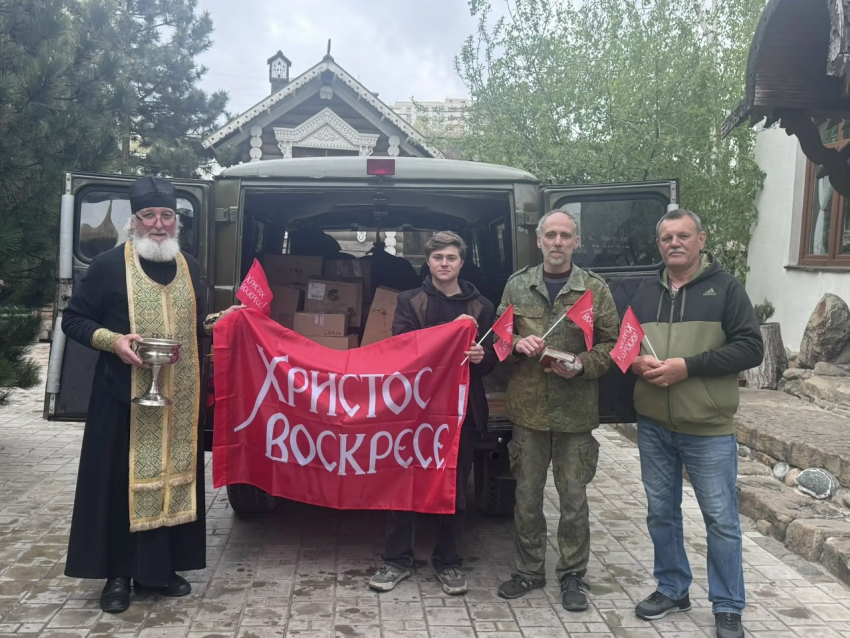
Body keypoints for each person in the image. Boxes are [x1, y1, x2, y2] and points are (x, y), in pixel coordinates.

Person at [62, 176, 242, 614]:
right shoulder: (107, 265)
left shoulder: (191, 266)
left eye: (166, 216)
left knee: (174, 475)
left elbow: (191, 326)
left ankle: (161, 569)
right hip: (120, 397)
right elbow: (74, 319)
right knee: (120, 481)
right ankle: (118, 574)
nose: (158, 225)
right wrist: (113, 340)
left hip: (178, 398)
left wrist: (220, 321)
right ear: (135, 220)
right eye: (149, 216)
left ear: (175, 221)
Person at [629, 209, 763, 638]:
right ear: (659, 244)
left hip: (708, 427)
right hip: (653, 424)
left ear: (701, 239)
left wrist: (688, 367)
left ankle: (727, 606)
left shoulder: (725, 289)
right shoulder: (644, 291)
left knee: (721, 519)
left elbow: (751, 348)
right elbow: (622, 346)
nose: (675, 243)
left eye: (683, 235)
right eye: (667, 237)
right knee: (661, 514)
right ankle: (672, 588)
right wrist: (634, 361)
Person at [495, 210, 620, 611]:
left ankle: (572, 576)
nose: (558, 242)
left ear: (576, 242)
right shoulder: (518, 285)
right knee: (527, 498)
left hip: (574, 413)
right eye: (551, 234)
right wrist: (516, 344)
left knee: (573, 501)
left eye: (566, 235)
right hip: (528, 413)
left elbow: (614, 344)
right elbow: (499, 335)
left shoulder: (594, 291)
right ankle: (528, 570)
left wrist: (583, 364)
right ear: (539, 240)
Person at [368, 231, 497, 596]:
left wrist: (482, 357)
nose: (444, 263)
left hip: (463, 413)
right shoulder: (410, 300)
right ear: (428, 261)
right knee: (404, 484)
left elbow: (492, 361)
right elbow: (401, 348)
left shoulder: (482, 307)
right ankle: (396, 560)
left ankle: (449, 562)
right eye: (438, 257)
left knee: (454, 490)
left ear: (462, 262)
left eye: (451, 257)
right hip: (415, 411)